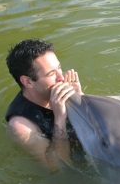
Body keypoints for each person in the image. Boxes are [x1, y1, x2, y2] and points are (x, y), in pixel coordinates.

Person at [5, 38, 84, 170]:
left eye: (59, 68)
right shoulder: (21, 126)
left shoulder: (54, 91)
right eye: (52, 73)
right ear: (28, 82)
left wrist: (79, 100)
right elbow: (57, 166)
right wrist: (59, 119)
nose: (61, 77)